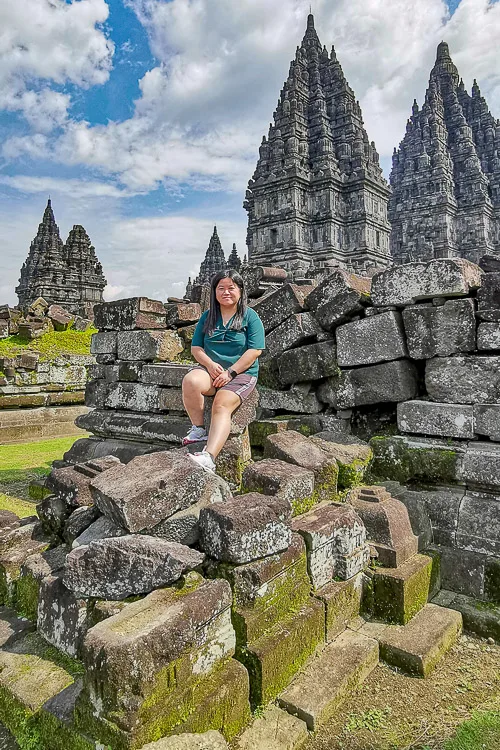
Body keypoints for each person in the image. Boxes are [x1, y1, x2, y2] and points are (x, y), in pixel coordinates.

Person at [181, 269, 265, 472]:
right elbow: (196, 348)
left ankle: (209, 457)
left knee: (221, 404)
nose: (226, 292)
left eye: (231, 288)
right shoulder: (208, 316)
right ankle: (199, 429)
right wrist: (210, 365)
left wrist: (231, 373)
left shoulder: (250, 316)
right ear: (214, 292)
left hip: (242, 374)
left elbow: (255, 351)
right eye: (221, 288)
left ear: (240, 291)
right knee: (191, 380)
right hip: (213, 371)